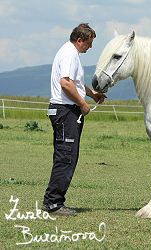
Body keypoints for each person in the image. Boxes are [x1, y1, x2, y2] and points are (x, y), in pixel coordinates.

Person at [42, 23, 106, 216]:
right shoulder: (70, 54)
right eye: (89, 42)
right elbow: (66, 84)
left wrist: (92, 94)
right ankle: (54, 204)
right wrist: (82, 104)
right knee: (65, 157)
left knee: (66, 156)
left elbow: (75, 84)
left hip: (66, 111)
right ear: (79, 40)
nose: (90, 47)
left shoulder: (70, 53)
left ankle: (51, 201)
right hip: (66, 111)